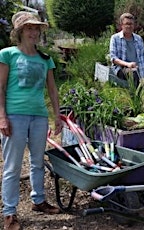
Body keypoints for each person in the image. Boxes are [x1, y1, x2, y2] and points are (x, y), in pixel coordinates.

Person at [0, 11, 63, 230]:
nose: (34, 32)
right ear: (20, 31)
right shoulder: (7, 54)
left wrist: (57, 116)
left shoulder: (45, 59)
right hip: (14, 115)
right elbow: (0, 87)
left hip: (39, 116)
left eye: (36, 28)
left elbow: (53, 90)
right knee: (12, 166)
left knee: (37, 161)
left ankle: (38, 201)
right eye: (29, 28)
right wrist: (2, 117)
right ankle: (9, 213)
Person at [109, 13, 144, 87]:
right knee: (133, 74)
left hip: (137, 69)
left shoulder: (138, 39)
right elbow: (113, 58)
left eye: (131, 24)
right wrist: (127, 64)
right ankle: (133, 95)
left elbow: (143, 60)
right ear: (122, 25)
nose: (129, 26)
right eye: (127, 24)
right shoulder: (115, 38)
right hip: (121, 68)